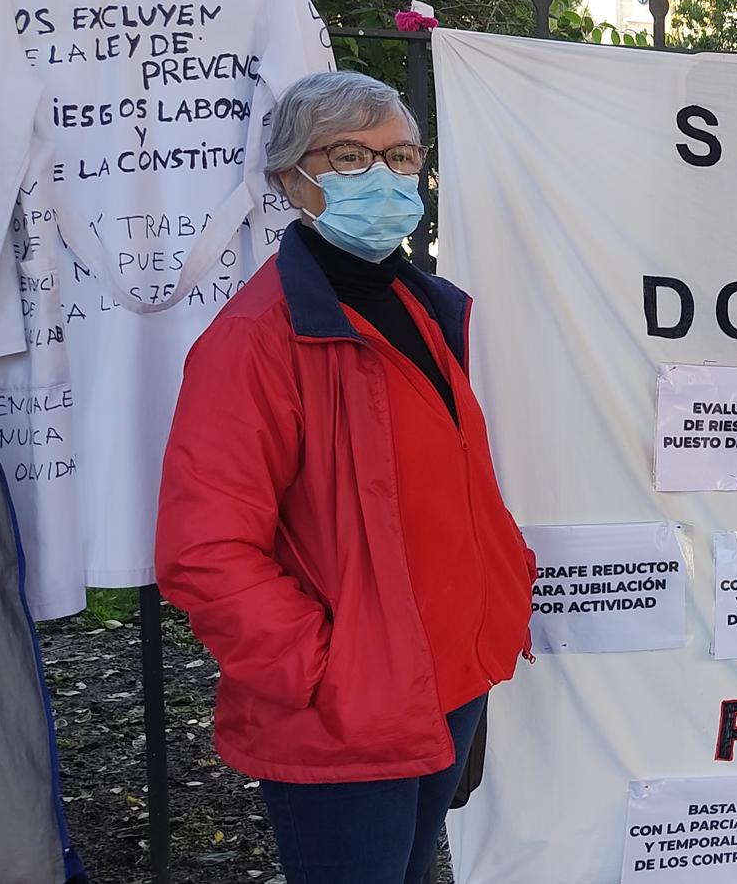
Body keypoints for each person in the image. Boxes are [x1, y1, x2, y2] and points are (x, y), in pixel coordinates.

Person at [155, 70, 536, 884]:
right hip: (347, 705)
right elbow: (205, 553)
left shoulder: (429, 307)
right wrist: (328, 668)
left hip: (450, 680)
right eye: (351, 155)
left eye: (401, 156)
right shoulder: (256, 338)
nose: (386, 175)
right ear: (293, 177)